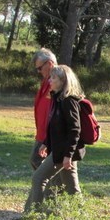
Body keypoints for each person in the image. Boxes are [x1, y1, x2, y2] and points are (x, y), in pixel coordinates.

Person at [24, 65, 85, 211]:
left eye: (53, 78)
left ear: (63, 81)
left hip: (63, 152)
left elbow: (75, 130)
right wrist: (46, 143)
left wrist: (68, 156)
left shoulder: (68, 101)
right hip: (59, 150)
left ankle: (34, 218)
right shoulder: (57, 99)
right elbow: (56, 128)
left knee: (38, 178)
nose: (49, 80)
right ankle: (83, 219)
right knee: (72, 189)